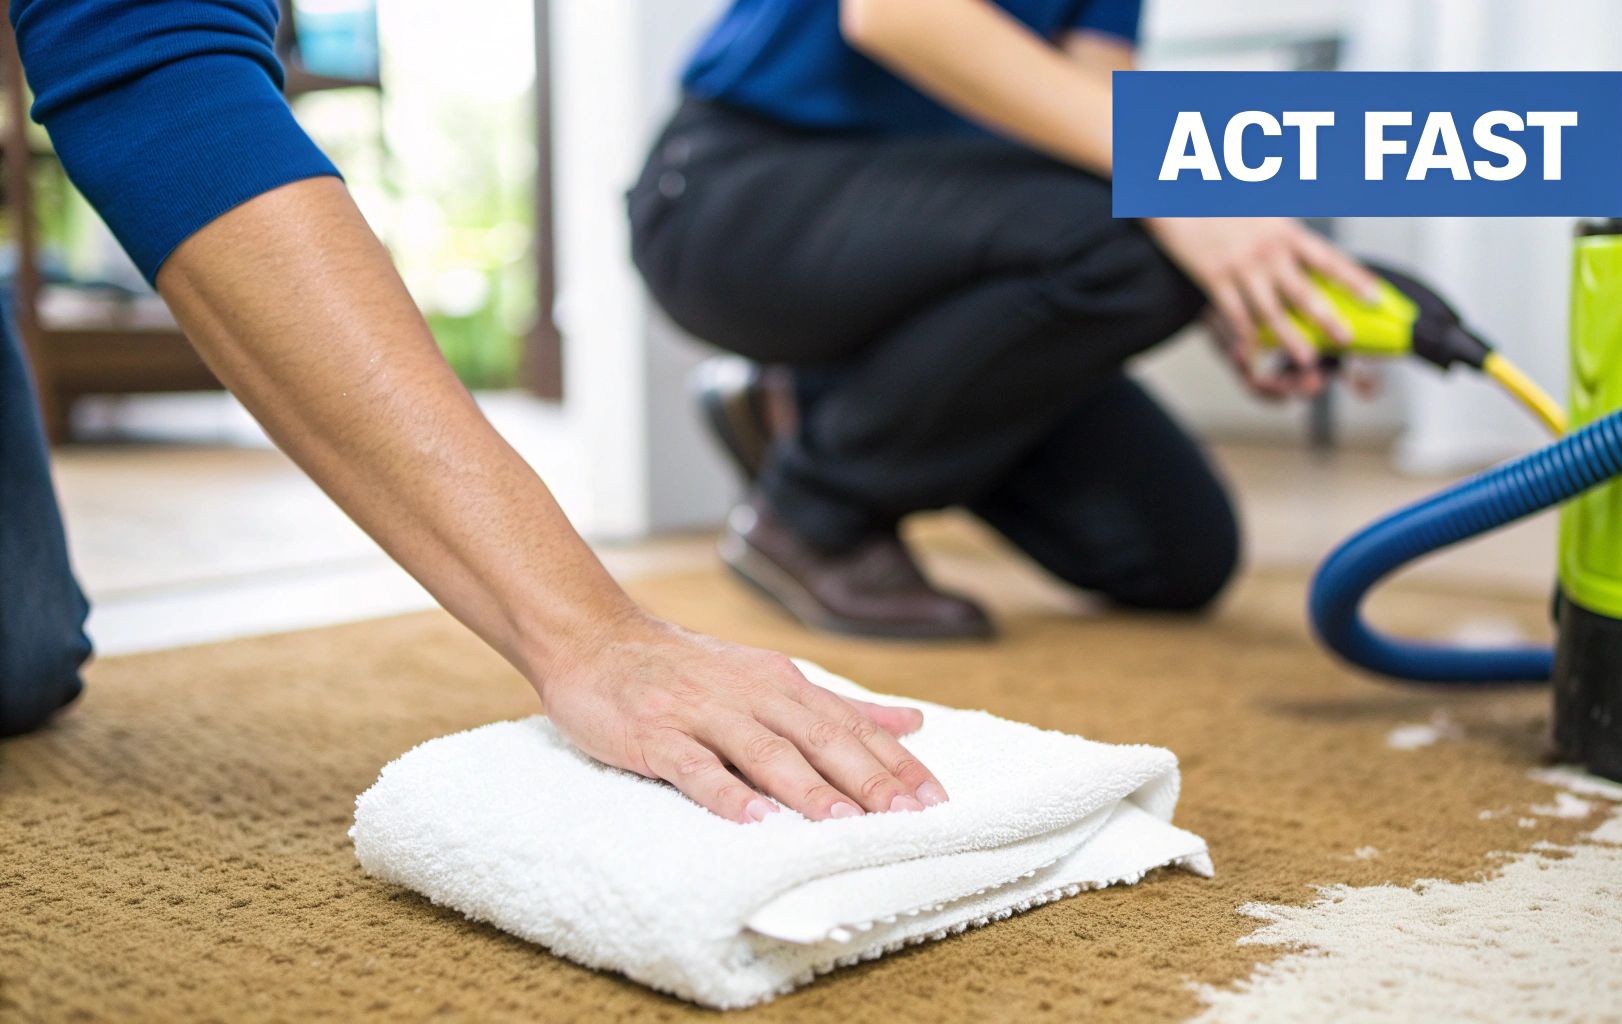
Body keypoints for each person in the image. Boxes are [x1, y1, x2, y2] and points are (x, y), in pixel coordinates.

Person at [0, 0, 950, 825]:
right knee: (18, 656)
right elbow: (151, 56)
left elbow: (1093, 96)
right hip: (766, 188)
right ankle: (818, 489)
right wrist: (590, 632)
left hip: (976, 222)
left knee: (1110, 520)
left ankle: (838, 419)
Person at [629, 0, 1382, 641]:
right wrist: (1181, 191)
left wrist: (1226, 273)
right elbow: (898, 14)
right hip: (739, 191)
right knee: (1127, 245)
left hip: (947, 232)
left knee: (1175, 559)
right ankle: (811, 511)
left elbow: (1094, 85)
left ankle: (798, 404)